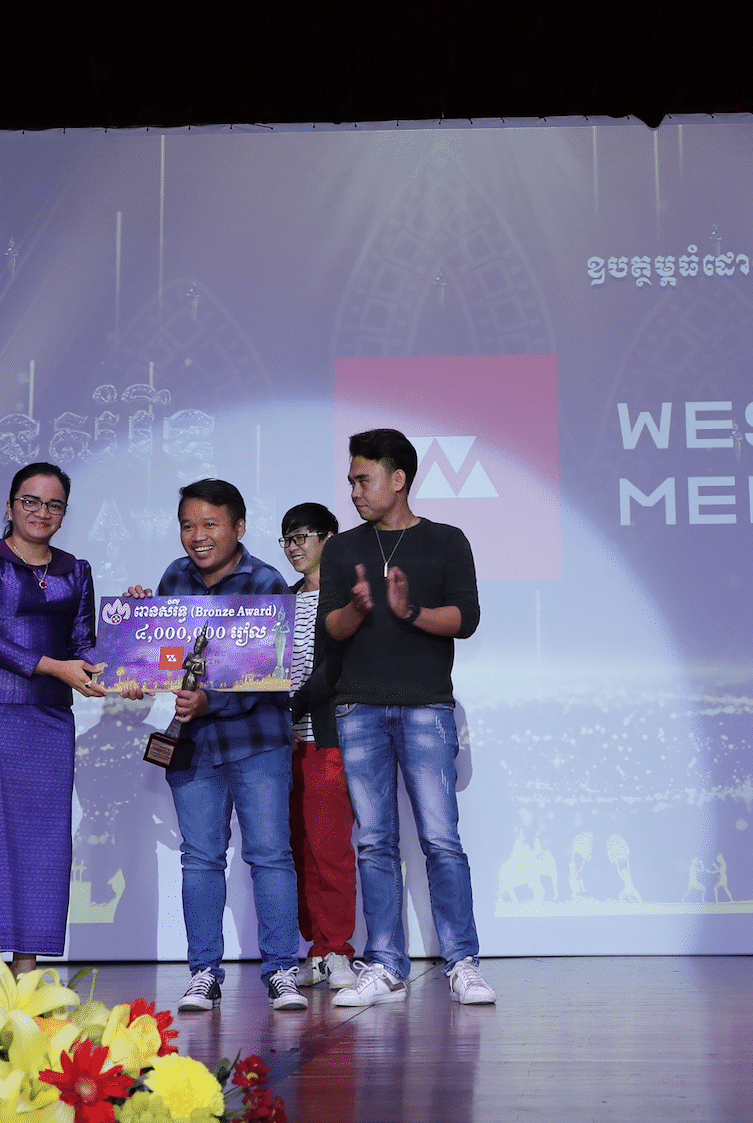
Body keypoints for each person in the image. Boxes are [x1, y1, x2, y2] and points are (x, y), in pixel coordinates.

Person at [320, 429, 496, 1007]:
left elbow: (466, 618)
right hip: (359, 707)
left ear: (398, 480)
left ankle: (463, 962)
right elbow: (331, 628)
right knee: (374, 841)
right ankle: (385, 966)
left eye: (363, 480)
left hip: (426, 706)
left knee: (441, 839)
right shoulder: (342, 549)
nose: (354, 491)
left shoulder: (446, 541)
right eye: (350, 481)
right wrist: (357, 608)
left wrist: (409, 610)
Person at [0, 462, 137, 976]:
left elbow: (83, 644)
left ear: (64, 513)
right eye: (30, 501)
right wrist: (55, 668)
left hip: (50, 718)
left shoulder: (77, 569)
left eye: (54, 505)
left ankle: (26, 967)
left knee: (43, 840)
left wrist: (129, 640)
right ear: (10, 507)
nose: (41, 512)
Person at [132, 478, 308, 1014]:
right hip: (194, 744)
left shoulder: (266, 582)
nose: (198, 536)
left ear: (239, 527)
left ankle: (282, 971)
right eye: (188, 525)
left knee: (270, 856)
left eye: (210, 524)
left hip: (257, 742)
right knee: (200, 859)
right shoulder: (174, 577)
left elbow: (270, 671)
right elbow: (163, 657)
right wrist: (136, 632)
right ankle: (203, 973)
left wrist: (212, 700)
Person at [281, 501, 359, 990]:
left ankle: (337, 949)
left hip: (328, 739)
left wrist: (293, 706)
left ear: (329, 537)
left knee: (330, 849)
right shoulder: (282, 600)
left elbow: (337, 669)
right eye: (286, 539)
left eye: (302, 536)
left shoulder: (345, 599)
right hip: (283, 743)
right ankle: (315, 950)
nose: (294, 547)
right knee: (298, 849)